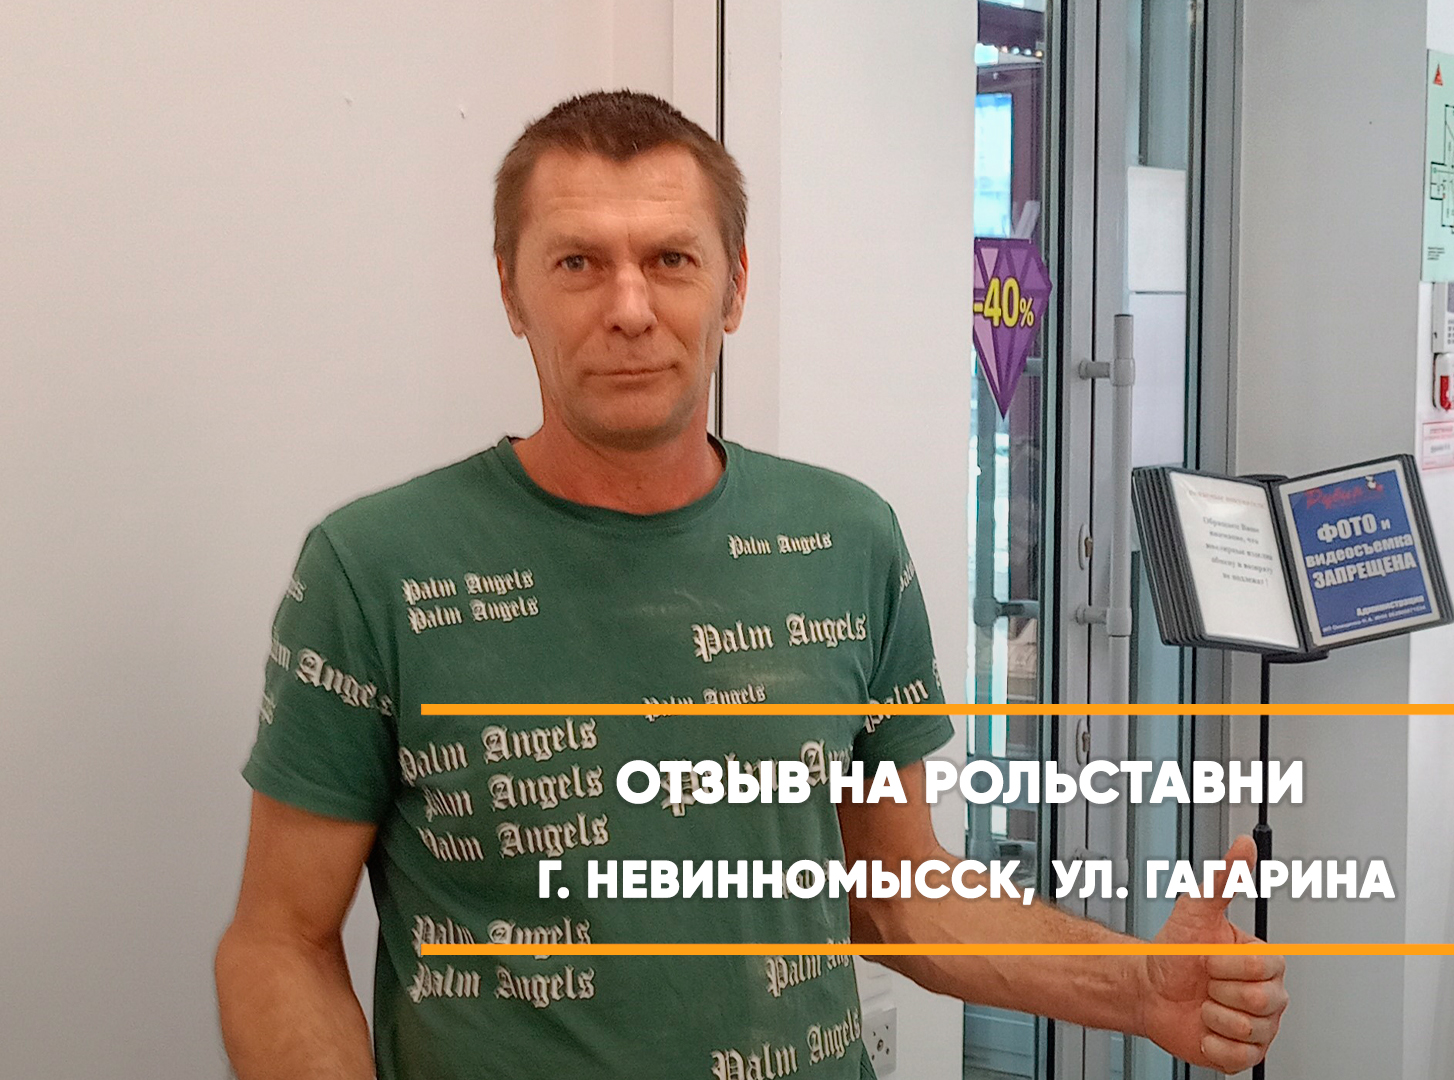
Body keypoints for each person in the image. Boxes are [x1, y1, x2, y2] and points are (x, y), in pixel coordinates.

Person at [213, 90, 1286, 1080]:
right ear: (511, 289)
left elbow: (896, 892)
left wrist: (1133, 986)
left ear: (733, 286)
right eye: (578, 261)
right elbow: (280, 941)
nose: (629, 307)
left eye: (671, 259)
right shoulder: (375, 569)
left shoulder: (847, 540)